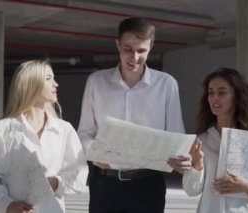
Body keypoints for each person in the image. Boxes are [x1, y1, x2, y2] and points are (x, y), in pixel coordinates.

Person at [77, 17, 192, 213]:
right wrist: (96, 155)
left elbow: (176, 138)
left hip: (148, 185)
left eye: (141, 50)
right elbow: (84, 133)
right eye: (127, 49)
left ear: (151, 47)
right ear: (117, 45)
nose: (134, 57)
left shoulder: (166, 84)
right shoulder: (96, 81)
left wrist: (183, 158)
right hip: (104, 184)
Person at [0, 60, 88, 213]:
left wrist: (56, 182)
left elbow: (79, 174)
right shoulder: (2, 130)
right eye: (48, 78)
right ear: (31, 84)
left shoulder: (64, 130)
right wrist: (8, 205)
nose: (56, 84)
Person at [183, 67, 248, 213]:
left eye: (222, 93)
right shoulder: (201, 140)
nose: (214, 98)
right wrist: (196, 165)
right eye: (211, 93)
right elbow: (191, 190)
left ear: (237, 97)